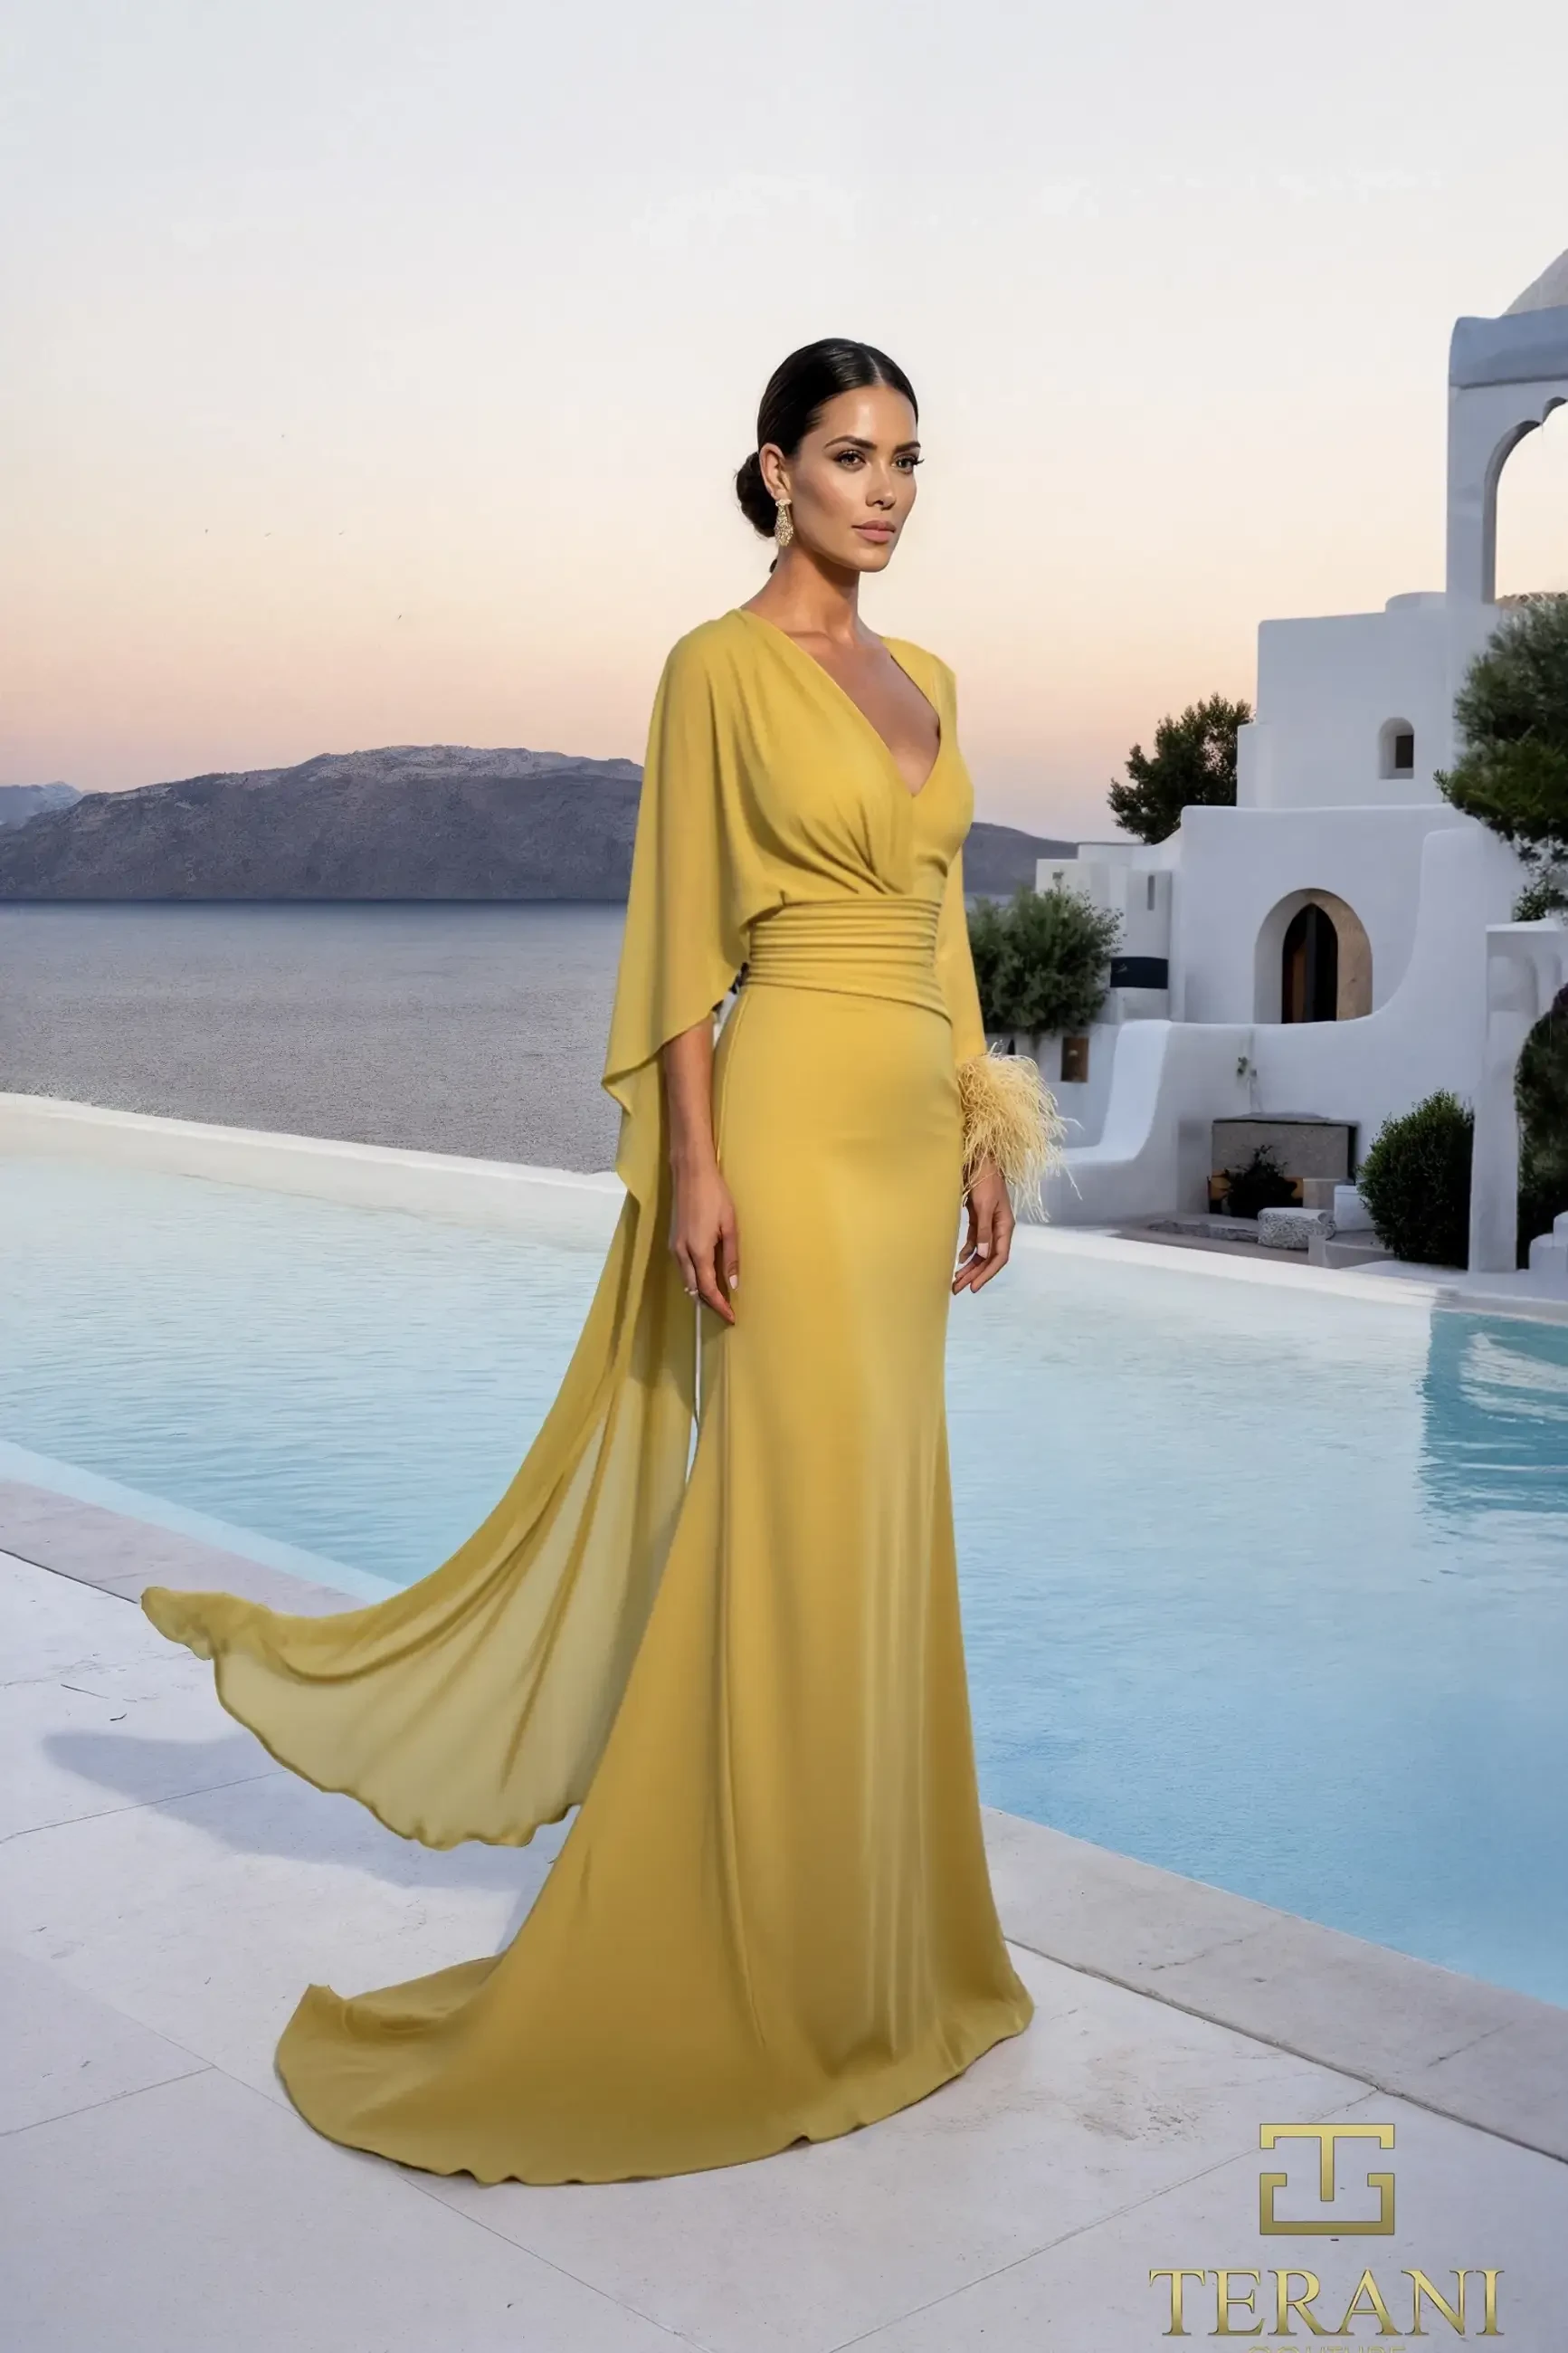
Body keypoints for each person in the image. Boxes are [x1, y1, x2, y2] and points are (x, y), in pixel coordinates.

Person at [141, 337, 1061, 2185]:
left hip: (905, 1136)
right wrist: (699, 1169)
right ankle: (748, 1961)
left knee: (884, 1515)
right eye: (847, 455)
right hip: (792, 1125)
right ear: (774, 471)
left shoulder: (929, 677)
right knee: (786, 1517)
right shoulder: (714, 670)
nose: (881, 487)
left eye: (903, 458)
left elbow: (940, 919)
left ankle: (881, 1955)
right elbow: (675, 956)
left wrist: (983, 1126)